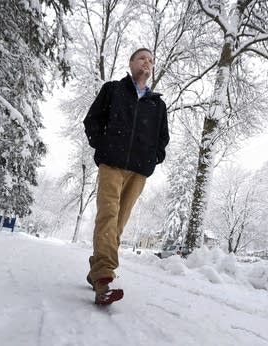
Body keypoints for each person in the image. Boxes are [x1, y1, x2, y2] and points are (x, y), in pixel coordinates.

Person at [83, 48, 170, 305]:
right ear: (131, 62)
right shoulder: (113, 90)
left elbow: (163, 138)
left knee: (118, 223)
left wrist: (154, 158)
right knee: (108, 215)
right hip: (112, 164)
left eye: (151, 60)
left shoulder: (158, 104)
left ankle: (96, 268)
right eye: (143, 57)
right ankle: (104, 279)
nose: (148, 62)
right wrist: (104, 145)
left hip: (139, 170)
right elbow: (92, 120)